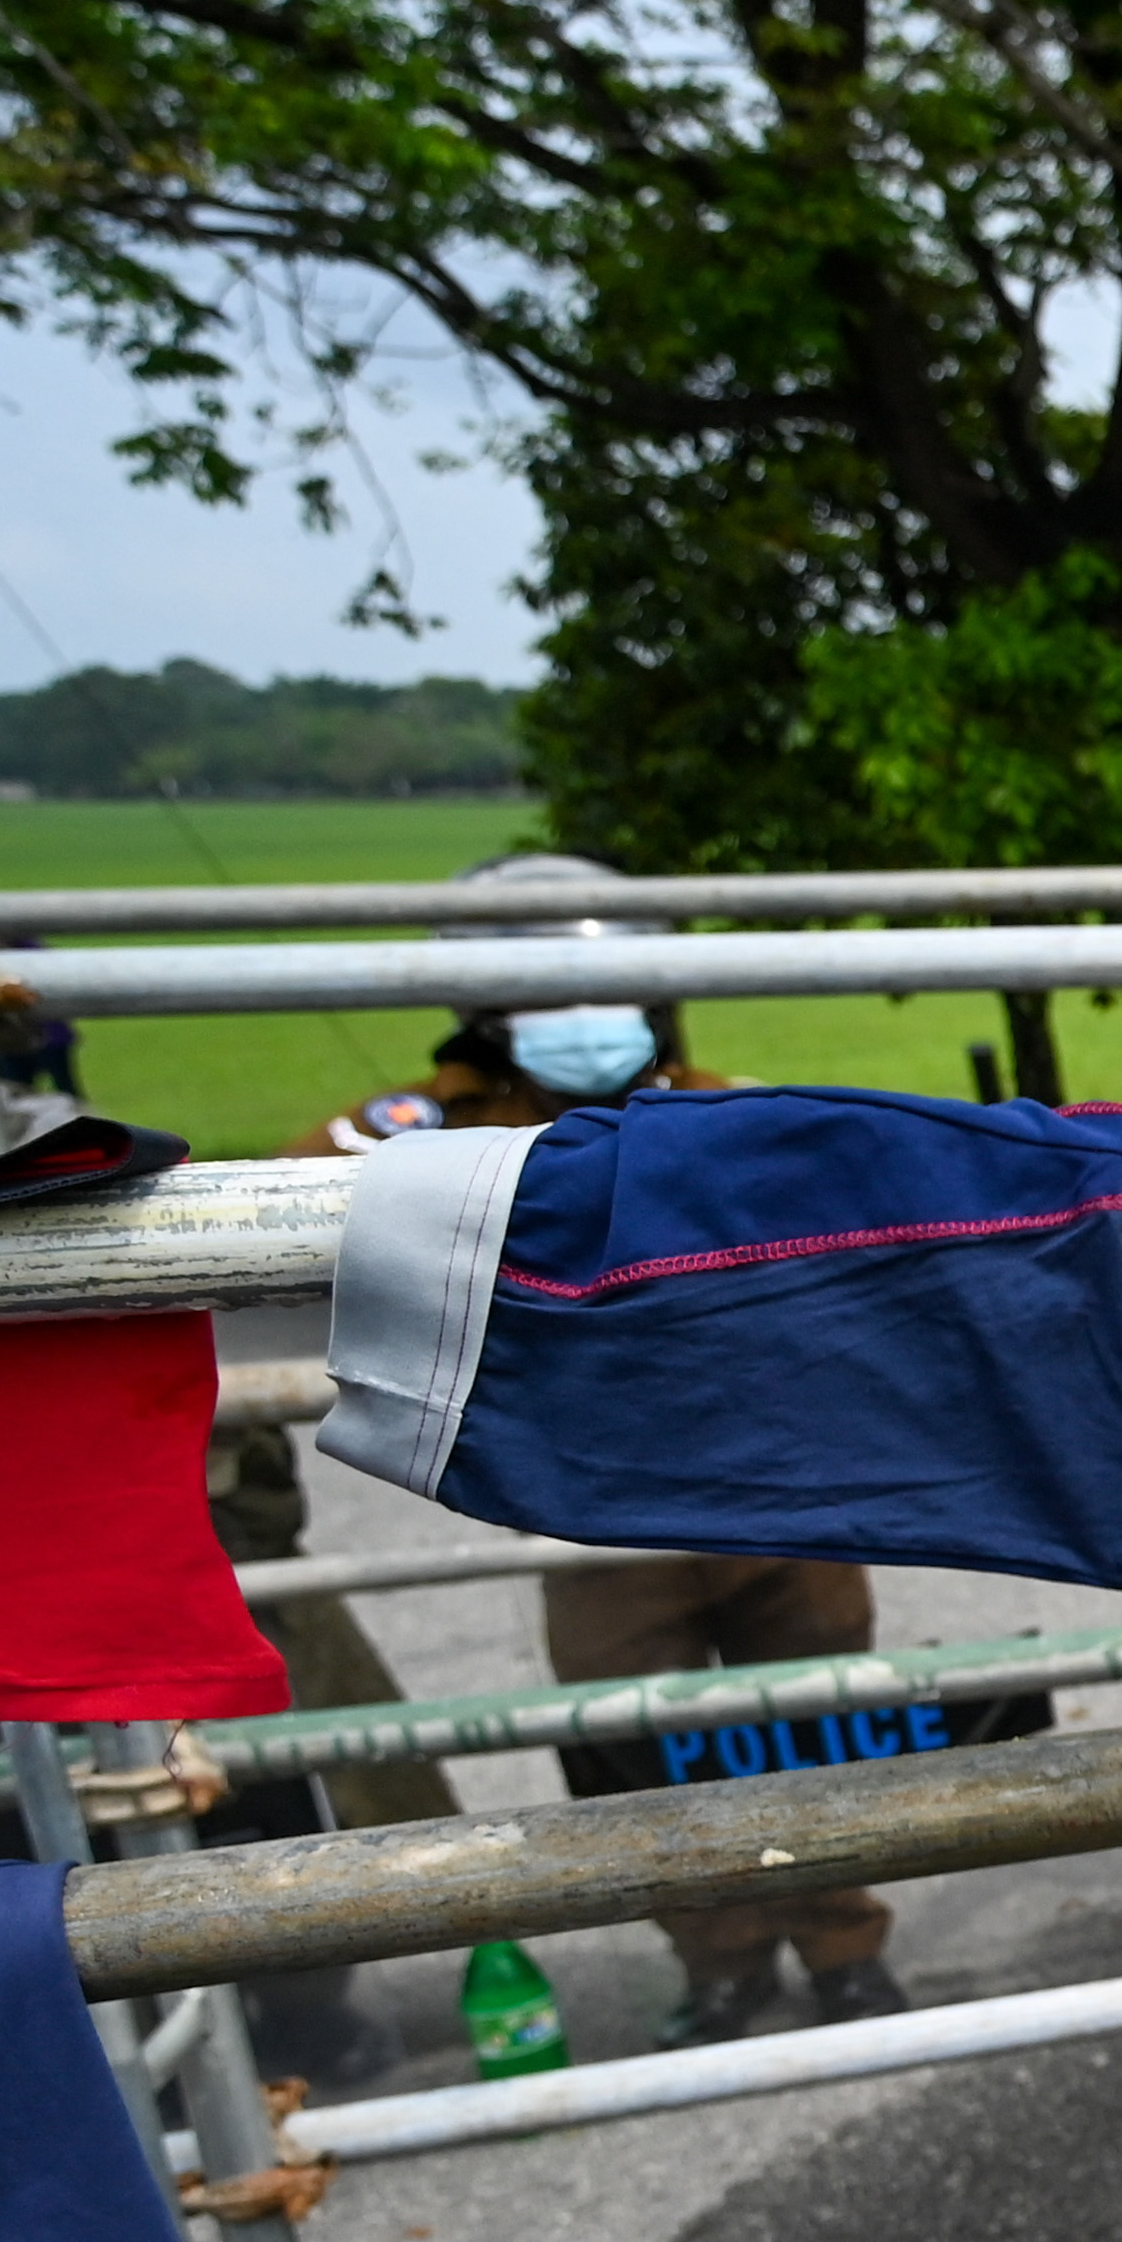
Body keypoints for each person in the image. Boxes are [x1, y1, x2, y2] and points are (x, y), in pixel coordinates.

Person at [288, 852, 913, 2041]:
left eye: (609, 984)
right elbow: (279, 1213)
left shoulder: (732, 1102)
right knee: (634, 1741)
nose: (590, 1020)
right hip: (600, 1499)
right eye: (551, 993)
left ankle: (846, 1948)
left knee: (823, 1718)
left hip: (781, 1484)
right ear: (489, 1011)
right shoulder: (420, 1130)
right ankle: (720, 1957)